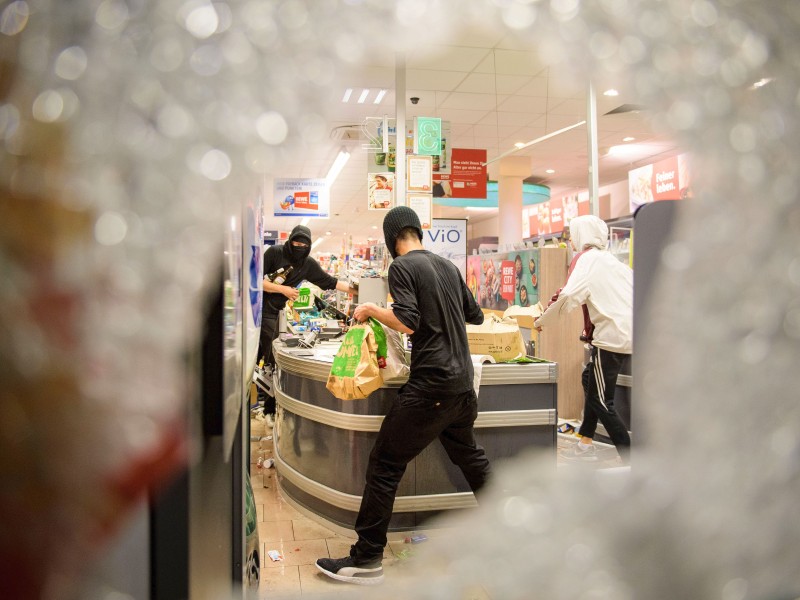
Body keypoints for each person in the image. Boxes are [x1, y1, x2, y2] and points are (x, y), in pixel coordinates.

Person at [316, 206, 492, 585]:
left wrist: (371, 309)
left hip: (433, 387)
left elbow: (408, 321)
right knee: (471, 459)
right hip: (463, 386)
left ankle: (366, 560)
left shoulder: (402, 266)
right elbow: (474, 315)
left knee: (384, 465)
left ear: (392, 236)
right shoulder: (447, 267)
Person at [534, 215, 632, 463]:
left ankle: (633, 457)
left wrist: (541, 321)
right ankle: (586, 441)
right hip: (626, 332)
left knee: (601, 399)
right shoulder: (613, 261)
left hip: (610, 336)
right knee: (589, 379)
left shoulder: (585, 260)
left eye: (572, 235)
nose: (570, 240)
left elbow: (568, 295)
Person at [257, 225, 357, 425]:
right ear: (290, 241)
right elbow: (255, 281)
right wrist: (283, 290)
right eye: (296, 242)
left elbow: (329, 281)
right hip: (259, 311)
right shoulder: (275, 253)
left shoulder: (308, 264)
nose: (300, 246)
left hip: (277, 313)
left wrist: (358, 289)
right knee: (265, 360)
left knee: (272, 358)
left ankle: (269, 407)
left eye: (304, 244)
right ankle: (262, 404)